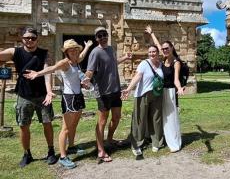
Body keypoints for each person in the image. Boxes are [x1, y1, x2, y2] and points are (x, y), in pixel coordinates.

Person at [24, 39, 93, 169]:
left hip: (78, 96)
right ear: (66, 52)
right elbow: (52, 68)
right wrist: (38, 73)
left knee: (74, 124)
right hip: (69, 97)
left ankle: (71, 147)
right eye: (70, 49)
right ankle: (62, 156)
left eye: (75, 49)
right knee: (66, 128)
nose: (74, 51)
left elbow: (82, 55)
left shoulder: (76, 60)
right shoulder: (65, 63)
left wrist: (88, 46)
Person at [0, 27, 56, 167]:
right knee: (23, 125)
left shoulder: (44, 53)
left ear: (37, 39)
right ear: (22, 38)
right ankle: (27, 154)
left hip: (42, 95)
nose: (30, 40)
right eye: (27, 38)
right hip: (24, 95)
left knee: (47, 123)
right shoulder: (15, 51)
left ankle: (51, 151)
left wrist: (49, 91)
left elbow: (47, 73)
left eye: (33, 37)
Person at [84, 28, 132, 163]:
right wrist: (87, 79)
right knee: (102, 121)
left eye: (105, 35)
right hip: (103, 92)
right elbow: (90, 70)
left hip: (115, 90)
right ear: (96, 38)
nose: (103, 37)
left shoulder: (110, 49)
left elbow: (113, 62)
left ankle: (110, 139)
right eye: (100, 36)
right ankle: (100, 149)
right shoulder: (95, 52)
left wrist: (125, 58)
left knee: (116, 117)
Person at [145, 25, 184, 152]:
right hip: (161, 91)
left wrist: (180, 88)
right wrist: (152, 33)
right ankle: (162, 138)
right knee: (162, 116)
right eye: (163, 49)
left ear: (172, 48)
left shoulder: (176, 62)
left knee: (171, 117)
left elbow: (176, 79)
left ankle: (174, 142)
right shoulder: (164, 58)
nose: (165, 50)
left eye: (167, 48)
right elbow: (157, 45)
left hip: (171, 92)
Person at [122, 45, 164, 157]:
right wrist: (128, 89)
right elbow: (137, 76)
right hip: (142, 94)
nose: (152, 54)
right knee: (139, 119)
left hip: (157, 95)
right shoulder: (144, 64)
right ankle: (137, 144)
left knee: (156, 119)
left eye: (154, 51)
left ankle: (157, 142)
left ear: (158, 52)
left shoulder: (161, 65)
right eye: (150, 52)